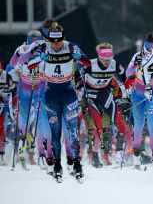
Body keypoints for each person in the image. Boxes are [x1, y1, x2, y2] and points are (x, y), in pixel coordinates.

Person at [26, 22, 89, 182]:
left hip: (68, 93)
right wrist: (40, 57)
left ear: (63, 38)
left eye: (59, 40)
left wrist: (79, 57)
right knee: (56, 133)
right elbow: (30, 65)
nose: (56, 44)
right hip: (51, 94)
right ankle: (57, 166)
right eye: (53, 41)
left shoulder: (70, 46)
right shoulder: (43, 48)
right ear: (48, 39)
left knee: (72, 131)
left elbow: (87, 62)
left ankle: (77, 165)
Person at [76, 42, 128, 168]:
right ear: (99, 56)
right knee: (97, 126)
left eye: (109, 59)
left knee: (120, 123)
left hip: (104, 95)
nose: (106, 62)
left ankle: (124, 154)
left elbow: (124, 75)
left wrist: (124, 92)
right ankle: (92, 155)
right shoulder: (90, 64)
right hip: (90, 95)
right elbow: (77, 79)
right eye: (104, 59)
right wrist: (79, 87)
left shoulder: (114, 64)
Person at [11, 30, 53, 168]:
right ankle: (21, 146)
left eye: (37, 39)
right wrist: (19, 55)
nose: (34, 41)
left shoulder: (45, 48)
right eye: (32, 38)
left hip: (40, 85)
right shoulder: (22, 48)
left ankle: (42, 153)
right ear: (28, 39)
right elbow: (12, 64)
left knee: (42, 119)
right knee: (23, 119)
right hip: (25, 87)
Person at [125, 34, 153, 170]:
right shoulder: (137, 56)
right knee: (138, 125)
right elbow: (128, 73)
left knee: (152, 125)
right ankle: (136, 157)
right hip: (138, 95)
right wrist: (135, 65)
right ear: (145, 46)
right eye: (149, 46)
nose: (151, 49)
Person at [0, 62, 16, 166]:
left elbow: (14, 90)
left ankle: (2, 153)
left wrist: (12, 103)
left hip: (6, 103)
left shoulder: (6, 76)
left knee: (5, 127)